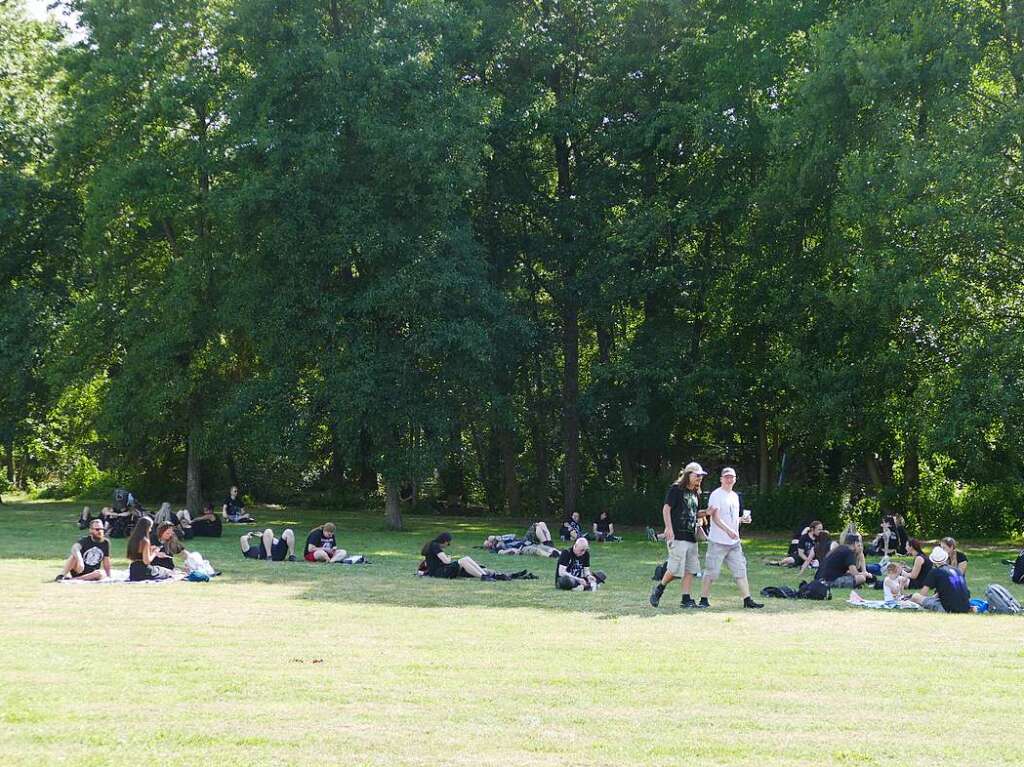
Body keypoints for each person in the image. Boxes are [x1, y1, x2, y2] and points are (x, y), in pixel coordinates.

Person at [699, 467, 763, 609]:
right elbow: (714, 517)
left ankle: (747, 600)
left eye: (732, 477)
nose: (729, 479)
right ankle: (703, 600)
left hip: (734, 542)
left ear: (735, 479)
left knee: (741, 570)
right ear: (721, 479)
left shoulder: (735, 496)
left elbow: (732, 517)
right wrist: (728, 530)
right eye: (726, 477)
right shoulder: (716, 495)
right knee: (711, 571)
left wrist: (742, 520)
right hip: (718, 541)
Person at [650, 462, 711, 608]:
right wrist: (668, 528)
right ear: (688, 475)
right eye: (697, 475)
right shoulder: (676, 489)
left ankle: (686, 599)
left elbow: (694, 514)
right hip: (677, 535)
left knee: (690, 569)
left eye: (701, 476)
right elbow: (666, 509)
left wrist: (707, 512)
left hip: (691, 536)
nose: (699, 478)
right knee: (674, 569)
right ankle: (659, 589)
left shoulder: (696, 493)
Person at [910, 547, 971, 613]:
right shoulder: (956, 570)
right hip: (965, 607)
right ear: (946, 558)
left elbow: (923, 594)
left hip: (948, 609)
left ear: (933, 561)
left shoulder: (935, 572)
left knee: (915, 596)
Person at [421, 532, 491, 579]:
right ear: (445, 541)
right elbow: (446, 561)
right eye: (448, 543)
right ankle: (482, 576)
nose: (447, 545)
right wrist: (449, 557)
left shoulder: (433, 545)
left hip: (441, 570)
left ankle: (484, 575)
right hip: (439, 573)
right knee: (463, 561)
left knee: (466, 558)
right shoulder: (435, 546)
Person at [126, 517, 174, 581]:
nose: (150, 530)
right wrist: (155, 552)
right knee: (167, 572)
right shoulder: (145, 541)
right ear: (147, 527)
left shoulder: (132, 539)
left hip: (133, 571)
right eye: (150, 527)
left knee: (160, 569)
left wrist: (150, 550)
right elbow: (147, 561)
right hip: (144, 571)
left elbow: (137, 556)